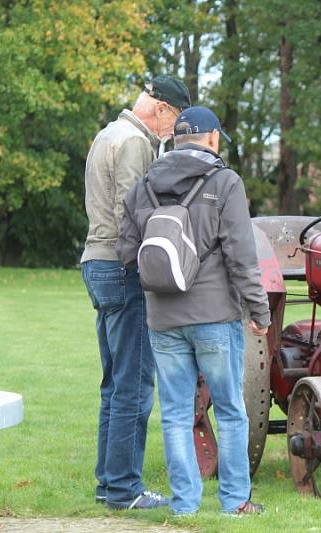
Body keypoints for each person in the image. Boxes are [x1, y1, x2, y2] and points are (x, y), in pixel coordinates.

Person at [116, 106, 270, 515]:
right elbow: (242, 256)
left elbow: (126, 252)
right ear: (213, 139)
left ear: (177, 139)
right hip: (215, 317)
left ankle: (184, 504)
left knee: (175, 415)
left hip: (163, 319)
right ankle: (235, 501)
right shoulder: (225, 182)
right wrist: (259, 310)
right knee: (232, 412)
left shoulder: (145, 184)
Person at [81, 75, 191, 510]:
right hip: (121, 267)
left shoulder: (108, 133)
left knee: (114, 384)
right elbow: (135, 212)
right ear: (161, 108)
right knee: (135, 385)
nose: (173, 129)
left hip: (95, 260)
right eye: (175, 119)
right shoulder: (136, 142)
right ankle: (125, 489)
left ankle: (108, 483)